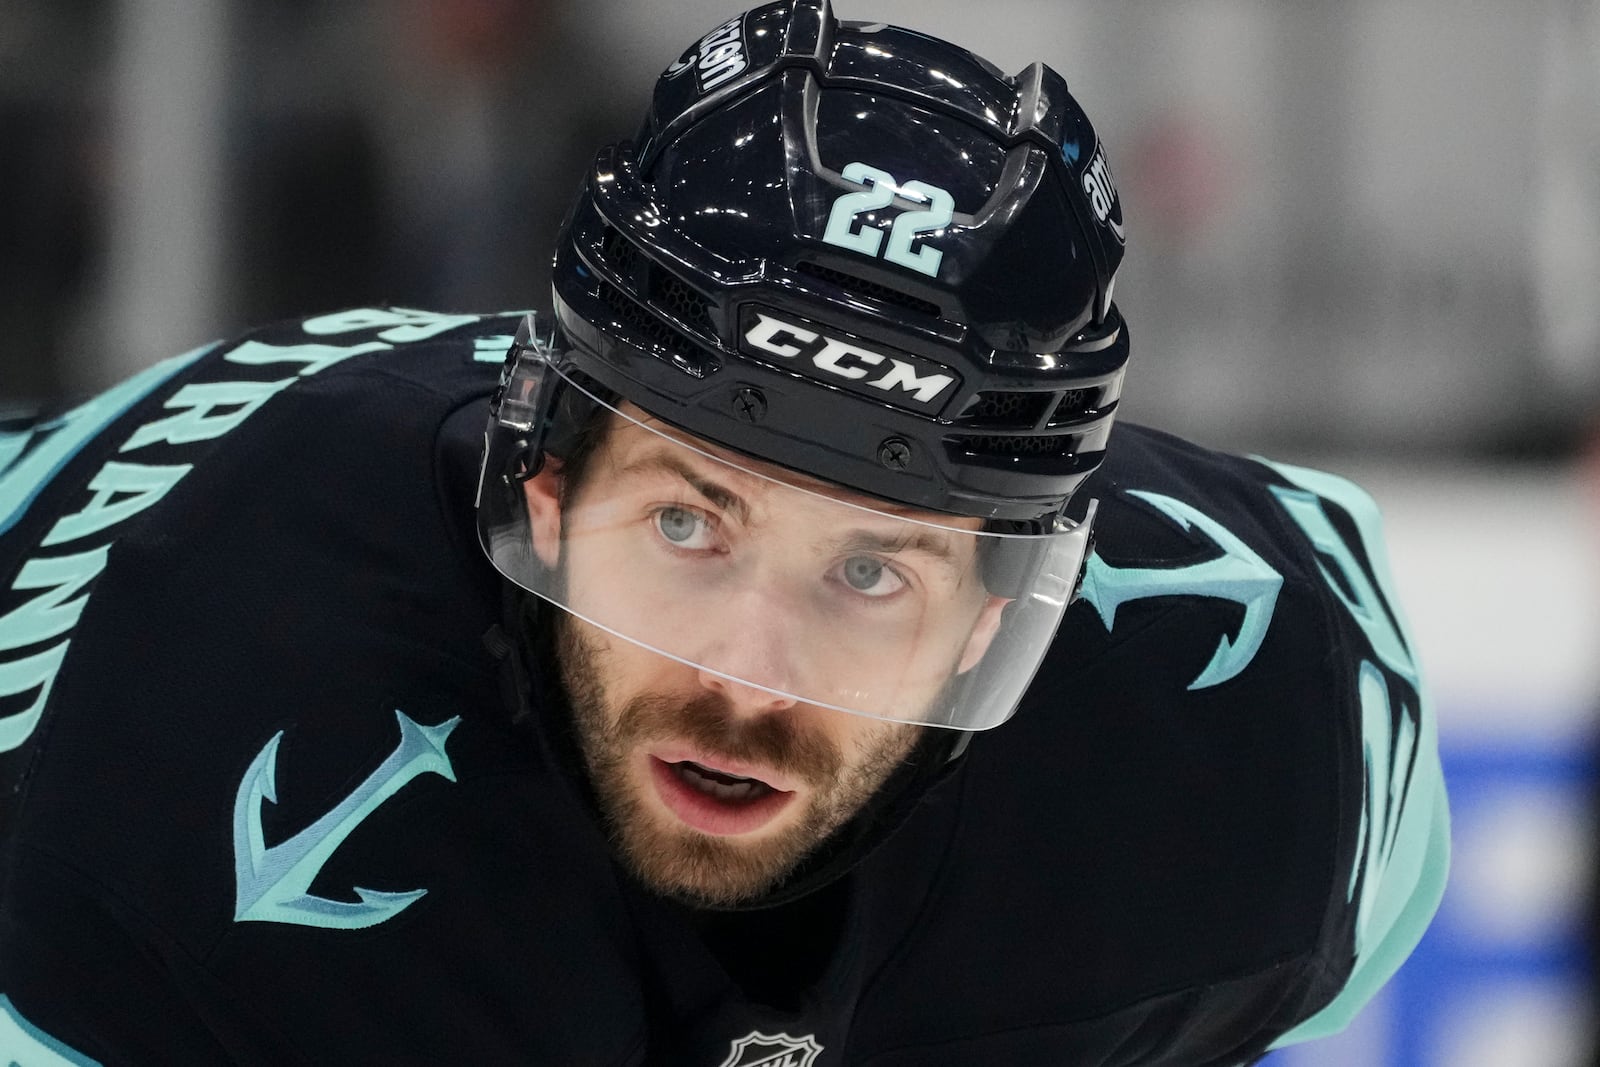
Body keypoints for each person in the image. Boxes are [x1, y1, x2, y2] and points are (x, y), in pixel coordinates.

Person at [0, 2, 1448, 1064]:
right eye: (692, 525)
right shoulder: (147, 794)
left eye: (874, 570)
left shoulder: (1266, 756)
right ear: (547, 497)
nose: (749, 683)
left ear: (999, 617)